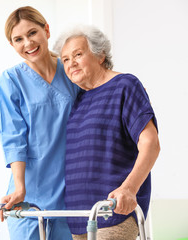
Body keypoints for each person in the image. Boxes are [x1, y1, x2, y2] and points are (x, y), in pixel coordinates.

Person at [53, 25, 160, 240]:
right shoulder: (79, 100)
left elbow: (150, 143)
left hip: (113, 210)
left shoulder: (125, 85)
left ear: (100, 55)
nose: (71, 63)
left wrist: (129, 189)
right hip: (79, 215)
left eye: (78, 54)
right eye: (65, 59)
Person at [0, 6, 80, 240]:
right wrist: (20, 188)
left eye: (32, 33)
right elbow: (13, 137)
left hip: (69, 189)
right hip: (29, 190)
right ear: (12, 45)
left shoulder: (71, 71)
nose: (28, 43)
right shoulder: (11, 80)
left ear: (46, 30)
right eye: (18, 39)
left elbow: (100, 87)